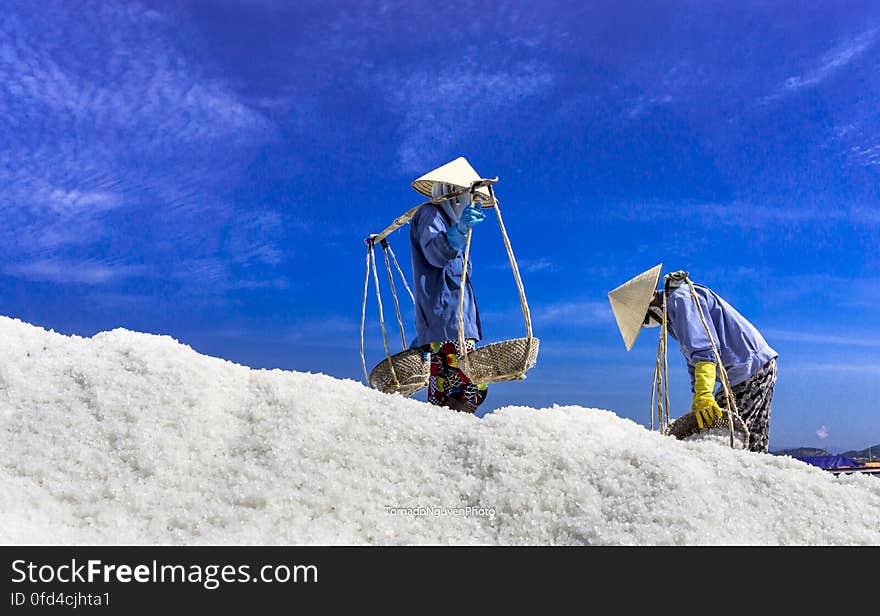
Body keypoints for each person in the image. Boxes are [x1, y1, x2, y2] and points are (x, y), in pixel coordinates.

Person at [608, 265, 778, 452]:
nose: (649, 325)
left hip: (748, 368)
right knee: (752, 438)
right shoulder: (676, 307)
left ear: (650, 308)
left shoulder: (680, 301)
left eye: (644, 321)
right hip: (758, 365)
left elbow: (704, 351)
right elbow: (694, 360)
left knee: (723, 437)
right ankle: (759, 475)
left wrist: (704, 394)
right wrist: (697, 396)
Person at [409, 161, 490, 413]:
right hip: (448, 326)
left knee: (460, 387)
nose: (468, 201)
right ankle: (448, 430)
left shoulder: (453, 225)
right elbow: (435, 255)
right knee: (472, 384)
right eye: (467, 195)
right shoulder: (430, 214)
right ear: (452, 192)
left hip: (456, 326)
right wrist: (459, 230)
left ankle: (447, 432)